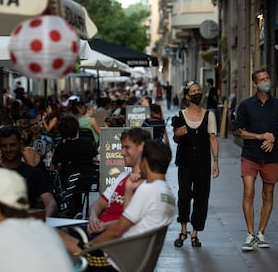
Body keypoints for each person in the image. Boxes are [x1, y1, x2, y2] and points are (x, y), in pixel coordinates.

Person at [62, 139, 175, 255]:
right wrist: (128, 191)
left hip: (112, 255)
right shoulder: (167, 193)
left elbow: (117, 231)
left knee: (55, 235)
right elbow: (128, 219)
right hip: (130, 255)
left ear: (144, 161)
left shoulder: (147, 189)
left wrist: (88, 249)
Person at [232, 68, 278, 251]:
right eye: (262, 79)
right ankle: (250, 234)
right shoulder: (246, 105)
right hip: (250, 154)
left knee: (268, 194)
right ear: (255, 84)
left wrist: (275, 137)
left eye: (268, 78)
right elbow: (237, 130)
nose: (267, 81)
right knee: (249, 192)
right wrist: (259, 137)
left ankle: (261, 233)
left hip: (271, 157)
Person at [0, 125, 57, 220]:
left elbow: (50, 203)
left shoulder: (33, 173)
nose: (8, 150)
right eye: (4, 146)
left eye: (12, 145)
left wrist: (43, 221)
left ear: (20, 145)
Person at [172, 80, 219, 248]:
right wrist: (177, 133)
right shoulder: (179, 116)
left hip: (202, 163)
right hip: (184, 163)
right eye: (193, 91)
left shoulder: (209, 115)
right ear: (187, 95)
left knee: (201, 198)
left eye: (198, 90)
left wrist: (216, 161)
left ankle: (195, 233)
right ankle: (183, 230)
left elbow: (213, 138)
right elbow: (175, 138)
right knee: (184, 196)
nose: (196, 93)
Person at [86, 127, 151, 237]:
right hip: (100, 229)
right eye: (122, 148)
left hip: (113, 237)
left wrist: (104, 226)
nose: (122, 153)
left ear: (141, 147)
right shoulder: (123, 176)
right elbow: (99, 203)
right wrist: (93, 218)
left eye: (127, 147)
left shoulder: (148, 182)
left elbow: (136, 220)